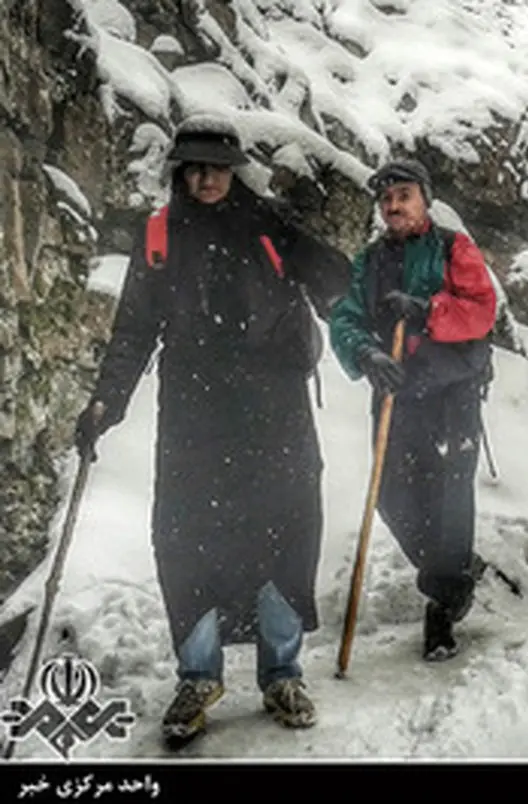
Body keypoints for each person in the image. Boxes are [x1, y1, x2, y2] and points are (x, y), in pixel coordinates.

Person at [72, 114, 352, 745]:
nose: (205, 179)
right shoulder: (160, 237)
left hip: (274, 409)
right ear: (179, 171)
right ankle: (199, 675)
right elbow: (134, 332)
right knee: (187, 537)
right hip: (195, 417)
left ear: (235, 171)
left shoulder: (269, 226)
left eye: (217, 167)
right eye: (194, 167)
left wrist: (364, 309)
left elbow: (337, 282)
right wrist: (103, 406)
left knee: (284, 533)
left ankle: (281, 672)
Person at [328, 158, 497, 662]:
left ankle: (442, 605)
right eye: (386, 199)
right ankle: (453, 573)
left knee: (448, 490)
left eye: (403, 195)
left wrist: (427, 311)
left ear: (425, 199)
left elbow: (481, 310)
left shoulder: (453, 247)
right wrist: (365, 354)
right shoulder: (369, 261)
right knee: (391, 493)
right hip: (396, 391)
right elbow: (346, 316)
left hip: (452, 391)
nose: (393, 205)